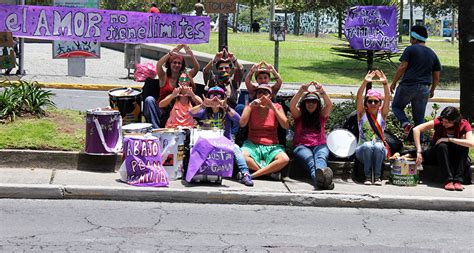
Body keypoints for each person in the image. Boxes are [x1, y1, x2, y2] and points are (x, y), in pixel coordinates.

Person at [189, 87, 254, 186]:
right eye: (212, 96)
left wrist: (226, 106)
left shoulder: (226, 111)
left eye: (219, 96)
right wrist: (203, 104)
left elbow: (238, 119)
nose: (215, 99)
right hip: (208, 143)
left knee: (236, 148)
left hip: (225, 142)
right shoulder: (204, 111)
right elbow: (190, 112)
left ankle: (245, 174)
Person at [390, 25, 442, 139]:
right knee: (419, 119)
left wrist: (393, 82)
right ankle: (420, 144)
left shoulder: (410, 49)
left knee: (396, 107)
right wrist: (432, 90)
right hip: (424, 88)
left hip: (408, 85)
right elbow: (437, 76)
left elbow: (403, 66)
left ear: (414, 37)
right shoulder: (432, 54)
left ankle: (405, 124)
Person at [412, 107, 473, 191]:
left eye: (447, 122)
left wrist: (449, 139)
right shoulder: (438, 122)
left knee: (463, 146)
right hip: (435, 154)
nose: (444, 123)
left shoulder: (464, 124)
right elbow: (416, 129)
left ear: (455, 121)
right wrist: (419, 150)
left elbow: (471, 143)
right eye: (443, 121)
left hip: (450, 156)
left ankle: (457, 180)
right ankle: (448, 180)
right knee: (442, 145)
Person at [239, 83, 290, 180]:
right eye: (259, 92)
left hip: (272, 146)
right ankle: (269, 174)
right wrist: (250, 107)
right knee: (241, 156)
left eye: (265, 93)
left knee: (284, 159)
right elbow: (242, 124)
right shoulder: (250, 106)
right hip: (252, 144)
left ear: (270, 96)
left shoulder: (277, 106)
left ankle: (252, 175)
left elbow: (285, 125)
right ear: (256, 95)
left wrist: (273, 108)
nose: (262, 95)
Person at [290, 82, 334, 190]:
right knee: (310, 161)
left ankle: (320, 181)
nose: (311, 103)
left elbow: (329, 105)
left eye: (314, 101)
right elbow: (292, 105)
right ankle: (325, 181)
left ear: (318, 103)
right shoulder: (299, 115)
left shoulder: (321, 115)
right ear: (304, 103)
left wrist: (322, 91)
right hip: (301, 146)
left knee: (320, 158)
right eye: (308, 101)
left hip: (320, 145)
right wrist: (301, 91)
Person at [143, 44, 200, 128]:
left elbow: (196, 68)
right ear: (169, 64)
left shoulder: (184, 77)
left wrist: (190, 54)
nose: (177, 65)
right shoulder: (164, 76)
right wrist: (170, 53)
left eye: (179, 63)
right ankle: (156, 129)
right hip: (162, 108)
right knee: (149, 100)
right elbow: (159, 65)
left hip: (178, 110)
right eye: (174, 62)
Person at [356, 70, 391, 186]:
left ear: (379, 103)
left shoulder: (383, 115)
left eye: (376, 101)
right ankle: (367, 176)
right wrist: (365, 82)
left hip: (379, 148)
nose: (372, 103)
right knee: (367, 145)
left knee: (378, 146)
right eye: (370, 101)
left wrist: (385, 84)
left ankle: (377, 177)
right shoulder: (362, 114)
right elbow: (358, 96)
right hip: (362, 149)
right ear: (366, 103)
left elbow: (388, 99)